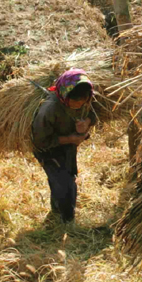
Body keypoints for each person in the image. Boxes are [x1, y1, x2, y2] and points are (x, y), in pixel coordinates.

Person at [32, 69, 97, 224]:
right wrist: (70, 138)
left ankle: (57, 211)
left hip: (69, 146)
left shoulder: (87, 97)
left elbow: (94, 113)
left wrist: (86, 122)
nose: (78, 105)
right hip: (48, 150)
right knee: (65, 184)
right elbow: (40, 141)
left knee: (67, 176)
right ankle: (67, 222)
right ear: (63, 94)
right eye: (74, 102)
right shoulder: (49, 109)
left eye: (82, 102)